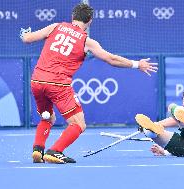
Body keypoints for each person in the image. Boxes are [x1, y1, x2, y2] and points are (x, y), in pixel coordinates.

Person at [20, 3, 158, 164]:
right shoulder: (86, 41)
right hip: (58, 84)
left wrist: (24, 33)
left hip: (37, 81)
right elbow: (111, 59)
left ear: (73, 17)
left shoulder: (55, 26)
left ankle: (38, 149)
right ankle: (55, 151)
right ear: (90, 21)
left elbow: (27, 38)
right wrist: (137, 64)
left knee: (47, 117)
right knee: (78, 123)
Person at [135, 87, 184, 157]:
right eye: (183, 101)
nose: (183, 104)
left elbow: (182, 118)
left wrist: (157, 124)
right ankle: (150, 130)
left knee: (172, 107)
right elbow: (179, 119)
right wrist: (164, 152)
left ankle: (157, 123)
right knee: (152, 133)